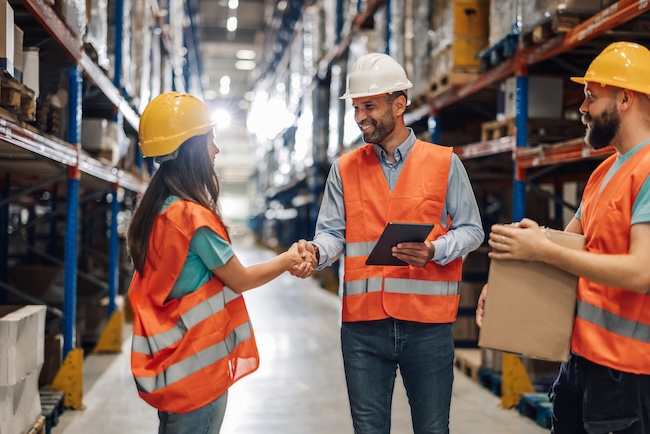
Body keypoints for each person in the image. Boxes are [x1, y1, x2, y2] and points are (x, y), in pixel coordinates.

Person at [292, 53, 484, 434]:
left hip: (427, 326)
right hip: (363, 328)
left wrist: (434, 250)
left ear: (399, 105)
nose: (360, 116)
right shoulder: (344, 169)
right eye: (356, 107)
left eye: (370, 106)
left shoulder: (444, 163)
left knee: (432, 429)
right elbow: (333, 234)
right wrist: (316, 253)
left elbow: (471, 230)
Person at [476, 41, 650, 434]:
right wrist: (505, 284)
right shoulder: (604, 172)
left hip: (628, 375)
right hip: (580, 364)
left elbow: (642, 271)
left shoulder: (648, 171)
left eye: (591, 95)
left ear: (625, 98)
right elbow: (557, 243)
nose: (582, 107)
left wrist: (544, 249)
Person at [125, 91, 313, 434]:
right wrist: (287, 259)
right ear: (193, 148)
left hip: (169, 369)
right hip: (197, 372)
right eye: (210, 140)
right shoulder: (193, 218)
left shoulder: (156, 212)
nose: (217, 149)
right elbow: (239, 279)